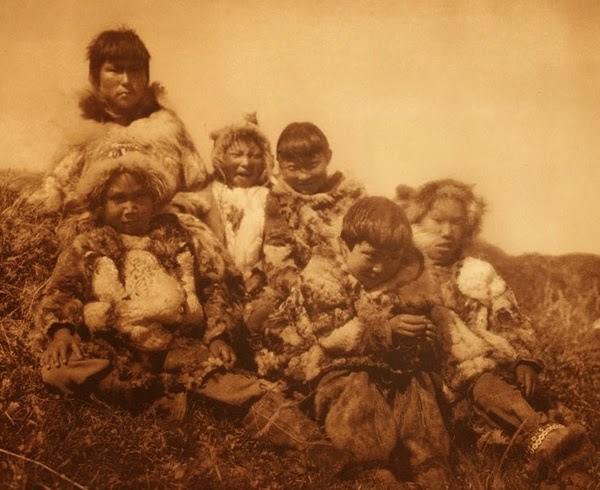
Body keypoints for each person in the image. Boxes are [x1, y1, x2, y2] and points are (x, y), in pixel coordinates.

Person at [36, 145, 266, 414]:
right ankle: (160, 398)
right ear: (101, 203)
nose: (130, 207)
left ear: (154, 198)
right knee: (57, 371)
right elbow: (63, 290)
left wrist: (217, 336)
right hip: (114, 345)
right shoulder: (87, 244)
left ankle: (289, 428)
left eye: (139, 197)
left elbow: (213, 287)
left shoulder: (178, 237)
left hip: (176, 342)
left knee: (229, 380)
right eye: (118, 199)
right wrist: (62, 333)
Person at [247, 197, 454, 488]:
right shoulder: (322, 276)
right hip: (316, 366)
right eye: (370, 256)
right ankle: (371, 470)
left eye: (392, 258)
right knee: (358, 386)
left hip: (381, 367)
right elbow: (329, 336)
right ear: (345, 247)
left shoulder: (409, 282)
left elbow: (418, 343)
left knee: (416, 385)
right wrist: (387, 330)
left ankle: (430, 467)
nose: (381, 268)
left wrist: (422, 340)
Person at [402, 179, 589, 482]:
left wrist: (525, 360)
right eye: (437, 221)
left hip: (487, 373)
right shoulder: (403, 273)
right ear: (416, 220)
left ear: (469, 228)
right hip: (435, 378)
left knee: (496, 390)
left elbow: (510, 320)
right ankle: (541, 442)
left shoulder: (480, 272)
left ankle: (550, 456)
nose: (447, 232)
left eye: (457, 223)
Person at [26, 27, 223, 243]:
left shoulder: (169, 130)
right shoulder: (81, 134)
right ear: (95, 77)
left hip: (166, 239)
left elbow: (202, 190)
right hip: (96, 242)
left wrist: (174, 208)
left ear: (146, 76)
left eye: (135, 70)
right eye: (115, 70)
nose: (127, 80)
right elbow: (51, 193)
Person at [244, 121, 366, 328]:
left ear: (328, 157)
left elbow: (367, 243)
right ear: (279, 165)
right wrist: (303, 288)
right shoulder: (280, 199)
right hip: (302, 285)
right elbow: (277, 253)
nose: (303, 176)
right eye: (292, 168)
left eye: (312, 166)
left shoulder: (351, 194)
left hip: (354, 279)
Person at [209, 114, 273, 294]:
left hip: (259, 287)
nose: (246, 163)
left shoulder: (271, 197)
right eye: (237, 155)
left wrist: (259, 274)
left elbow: (279, 246)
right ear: (220, 158)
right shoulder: (207, 196)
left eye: (255, 156)